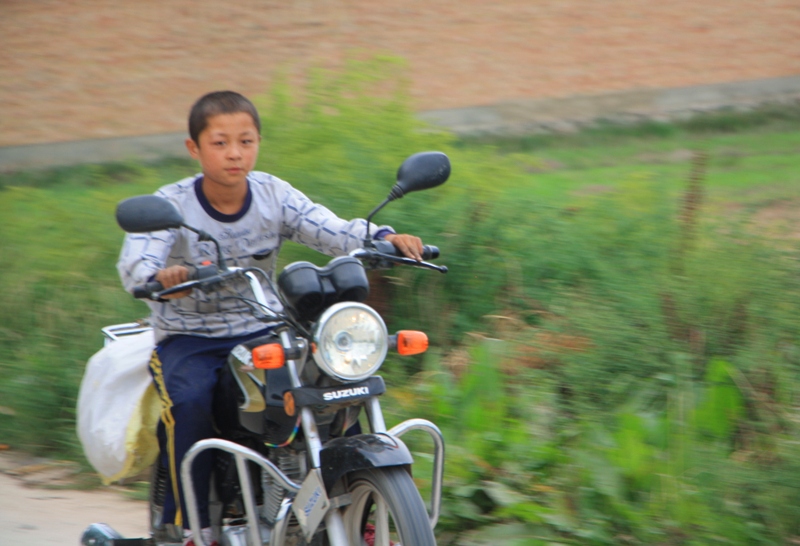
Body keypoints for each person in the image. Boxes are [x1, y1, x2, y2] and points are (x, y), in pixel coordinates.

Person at [117, 90, 425, 546]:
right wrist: (158, 275)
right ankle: (191, 528)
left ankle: (360, 513)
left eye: (245, 141)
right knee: (191, 403)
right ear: (194, 148)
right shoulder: (172, 205)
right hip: (189, 338)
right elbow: (136, 264)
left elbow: (330, 228)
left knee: (334, 387)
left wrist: (382, 236)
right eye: (220, 143)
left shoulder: (272, 194)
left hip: (263, 329)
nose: (234, 153)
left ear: (258, 142)